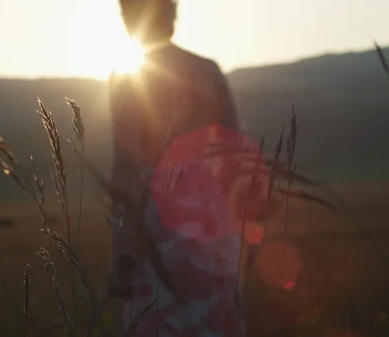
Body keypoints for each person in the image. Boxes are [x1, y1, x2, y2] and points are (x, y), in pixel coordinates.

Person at [106, 1, 255, 336]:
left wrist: (123, 255)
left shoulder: (128, 75)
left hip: (157, 226)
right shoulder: (209, 71)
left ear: (132, 15)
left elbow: (126, 168)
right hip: (215, 224)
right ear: (171, 13)